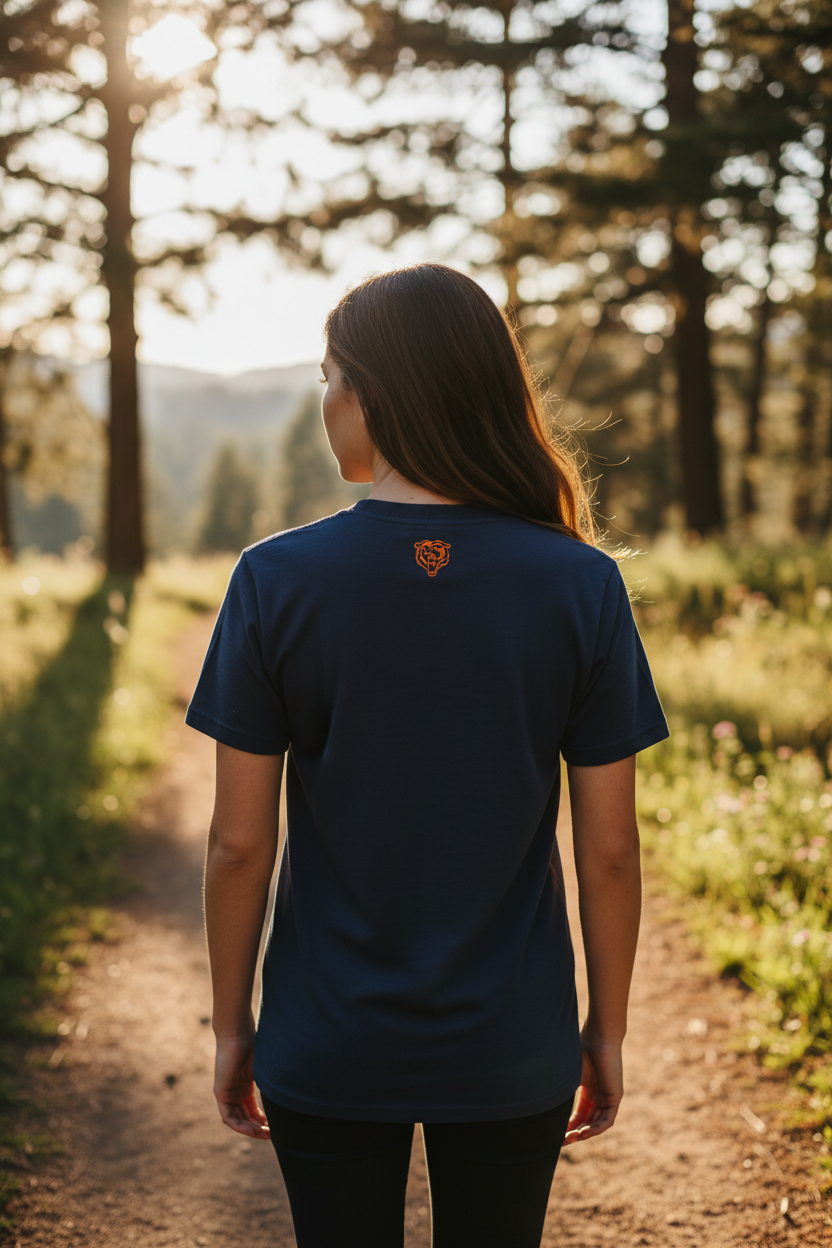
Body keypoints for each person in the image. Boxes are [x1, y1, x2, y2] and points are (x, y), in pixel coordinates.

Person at [186, 263, 668, 1248]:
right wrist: (602, 1033)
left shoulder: (274, 581)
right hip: (512, 1046)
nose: (325, 403)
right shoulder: (580, 585)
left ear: (371, 393)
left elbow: (239, 845)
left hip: (327, 1043)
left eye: (329, 376)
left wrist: (235, 1026)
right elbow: (609, 852)